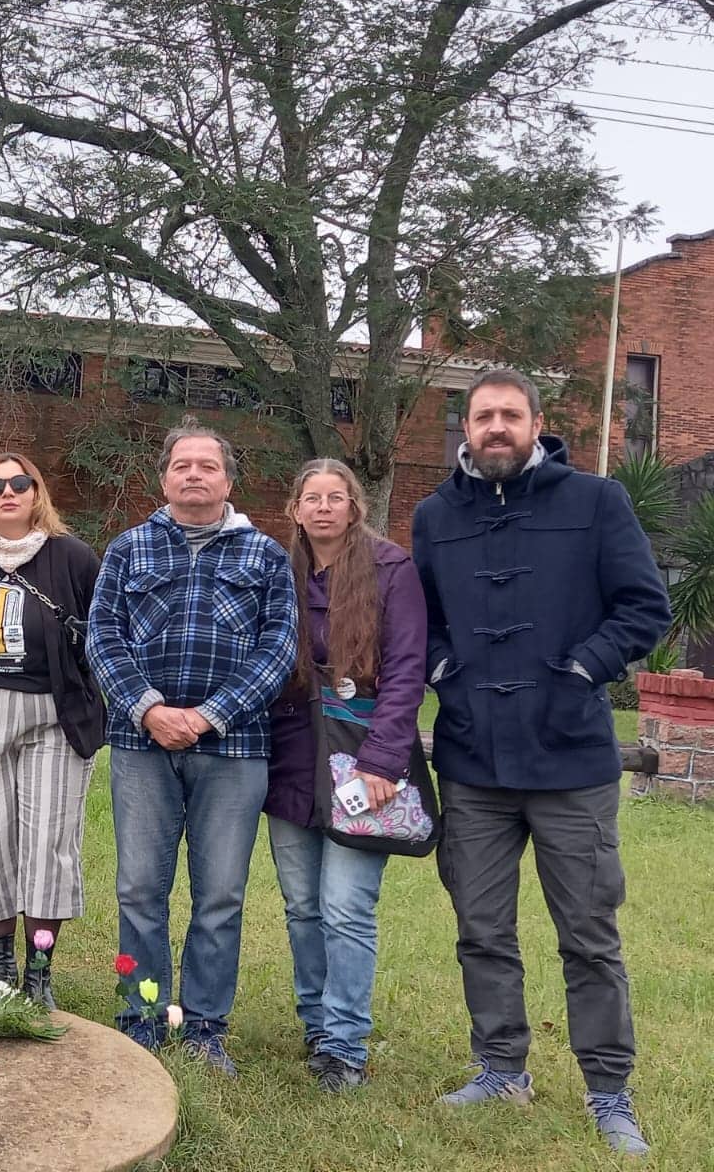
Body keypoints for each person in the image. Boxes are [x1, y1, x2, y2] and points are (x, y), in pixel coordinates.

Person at [413, 369, 670, 1155]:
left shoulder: (597, 503)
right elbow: (417, 623)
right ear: (465, 426)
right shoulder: (433, 515)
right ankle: (500, 1067)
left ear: (537, 423)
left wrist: (585, 670)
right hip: (472, 758)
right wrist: (443, 672)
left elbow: (645, 608)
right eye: (483, 415)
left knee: (589, 934)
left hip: (571, 762)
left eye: (509, 415)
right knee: (481, 927)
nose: (496, 427)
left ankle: (608, 1090)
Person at [87, 422, 298, 1069]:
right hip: (140, 745)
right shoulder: (128, 550)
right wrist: (150, 710)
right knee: (139, 891)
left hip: (234, 752)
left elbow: (279, 649)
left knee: (220, 898)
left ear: (228, 481)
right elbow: (102, 637)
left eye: (208, 465)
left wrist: (206, 716)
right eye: (183, 464)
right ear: (165, 478)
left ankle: (204, 1027)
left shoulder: (265, 556)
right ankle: (143, 1016)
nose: (194, 474)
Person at [264, 459, 427, 1091]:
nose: (324, 508)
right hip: (292, 755)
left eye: (336, 497)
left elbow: (409, 669)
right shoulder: (280, 571)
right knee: (303, 906)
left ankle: (345, 1045)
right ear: (296, 509)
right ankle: (316, 1026)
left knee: (346, 907)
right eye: (312, 498)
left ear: (354, 507)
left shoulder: (392, 569)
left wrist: (384, 761)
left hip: (363, 756)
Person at [0, 453, 105, 1007]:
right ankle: (1, 966)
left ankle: (40, 971)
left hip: (55, 715)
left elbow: (103, 637)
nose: (8, 493)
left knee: (48, 841)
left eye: (20, 483)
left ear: (38, 493)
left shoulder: (74, 558)